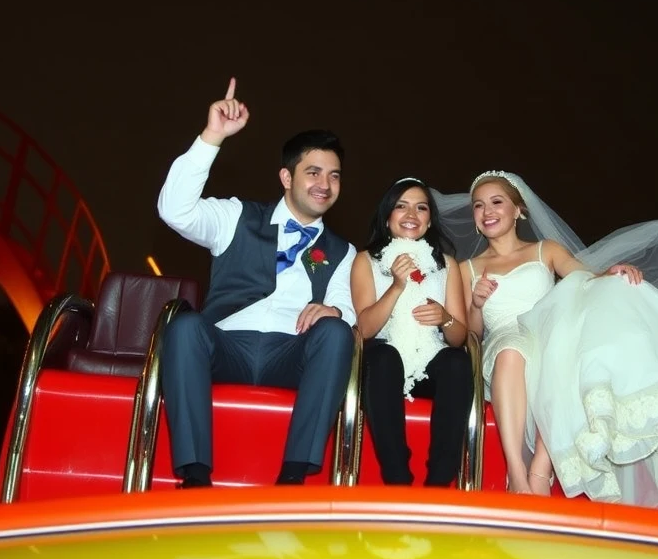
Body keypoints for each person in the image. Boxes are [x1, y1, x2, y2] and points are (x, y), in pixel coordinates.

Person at [433, 170, 658, 505]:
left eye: (497, 202)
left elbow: (585, 279)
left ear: (519, 209)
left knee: (575, 329)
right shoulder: (468, 268)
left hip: (551, 333)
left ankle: (542, 466)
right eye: (479, 206)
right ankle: (517, 474)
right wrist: (477, 303)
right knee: (511, 351)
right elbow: (472, 334)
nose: (487, 211)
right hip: (505, 340)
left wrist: (611, 274)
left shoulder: (545, 250)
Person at [156, 77, 356, 487]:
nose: (324, 184)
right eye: (313, 172)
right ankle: (194, 476)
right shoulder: (235, 216)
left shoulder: (343, 251)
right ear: (286, 176)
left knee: (337, 332)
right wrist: (212, 136)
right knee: (185, 326)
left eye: (334, 176)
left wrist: (335, 310)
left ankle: (294, 475)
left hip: (290, 355)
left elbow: (348, 308)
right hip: (227, 347)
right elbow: (174, 210)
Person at [350, 178, 474, 487]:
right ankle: (397, 477)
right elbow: (364, 329)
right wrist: (396, 286)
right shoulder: (366, 260)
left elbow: (459, 336)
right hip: (384, 366)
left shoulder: (445, 264)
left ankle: (439, 483)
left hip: (430, 361)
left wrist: (445, 318)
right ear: (388, 216)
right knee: (384, 357)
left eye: (421, 208)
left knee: (457, 363)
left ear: (430, 219)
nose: (411, 215)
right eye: (401, 206)